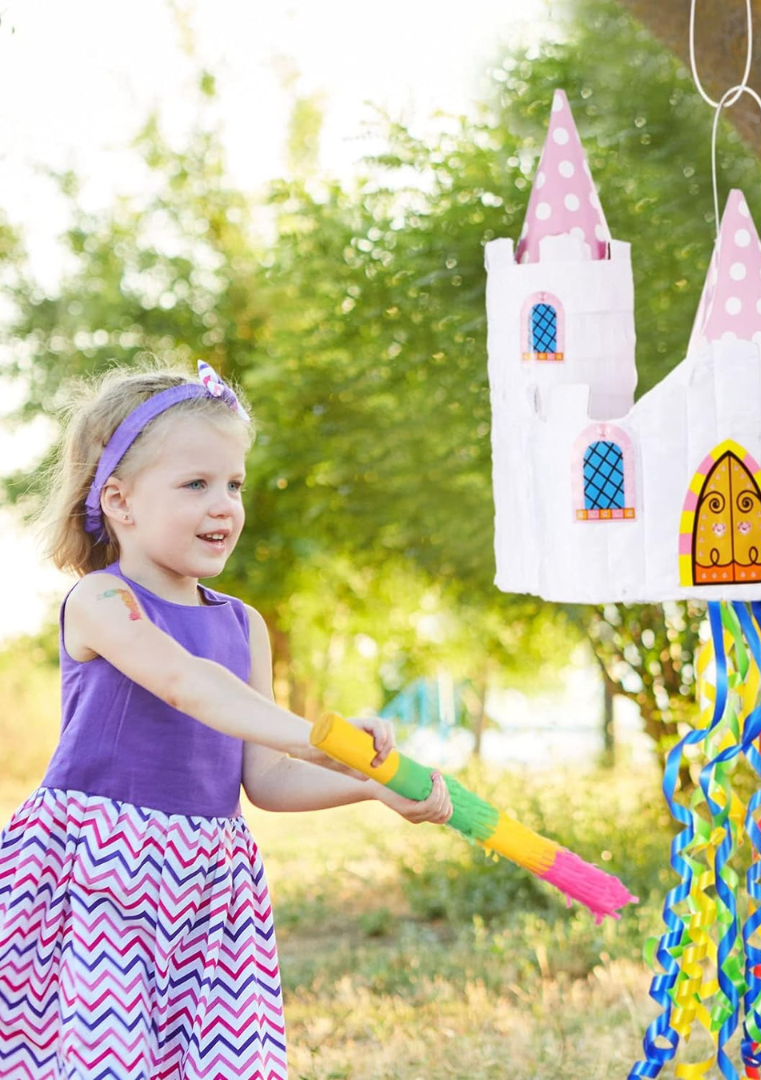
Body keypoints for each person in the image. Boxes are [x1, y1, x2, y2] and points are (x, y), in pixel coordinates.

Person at [0, 361, 452, 1079]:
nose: (225, 506)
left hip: (209, 887)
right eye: (195, 485)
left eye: (233, 484)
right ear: (118, 500)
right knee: (102, 1059)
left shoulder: (243, 626)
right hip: (101, 876)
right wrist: (313, 733)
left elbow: (265, 779)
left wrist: (365, 781)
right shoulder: (102, 602)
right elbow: (185, 685)